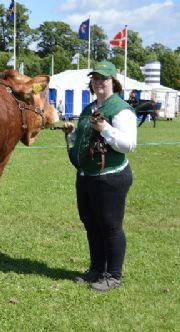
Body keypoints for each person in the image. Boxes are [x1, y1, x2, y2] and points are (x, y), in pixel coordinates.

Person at [62, 60, 137, 291]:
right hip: (87, 176)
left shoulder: (121, 109)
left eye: (103, 79)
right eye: (94, 78)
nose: (98, 83)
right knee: (91, 224)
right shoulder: (90, 108)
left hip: (111, 177)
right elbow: (84, 141)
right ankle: (96, 270)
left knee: (110, 226)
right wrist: (72, 133)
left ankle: (113, 276)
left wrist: (105, 128)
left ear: (113, 82)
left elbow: (129, 144)